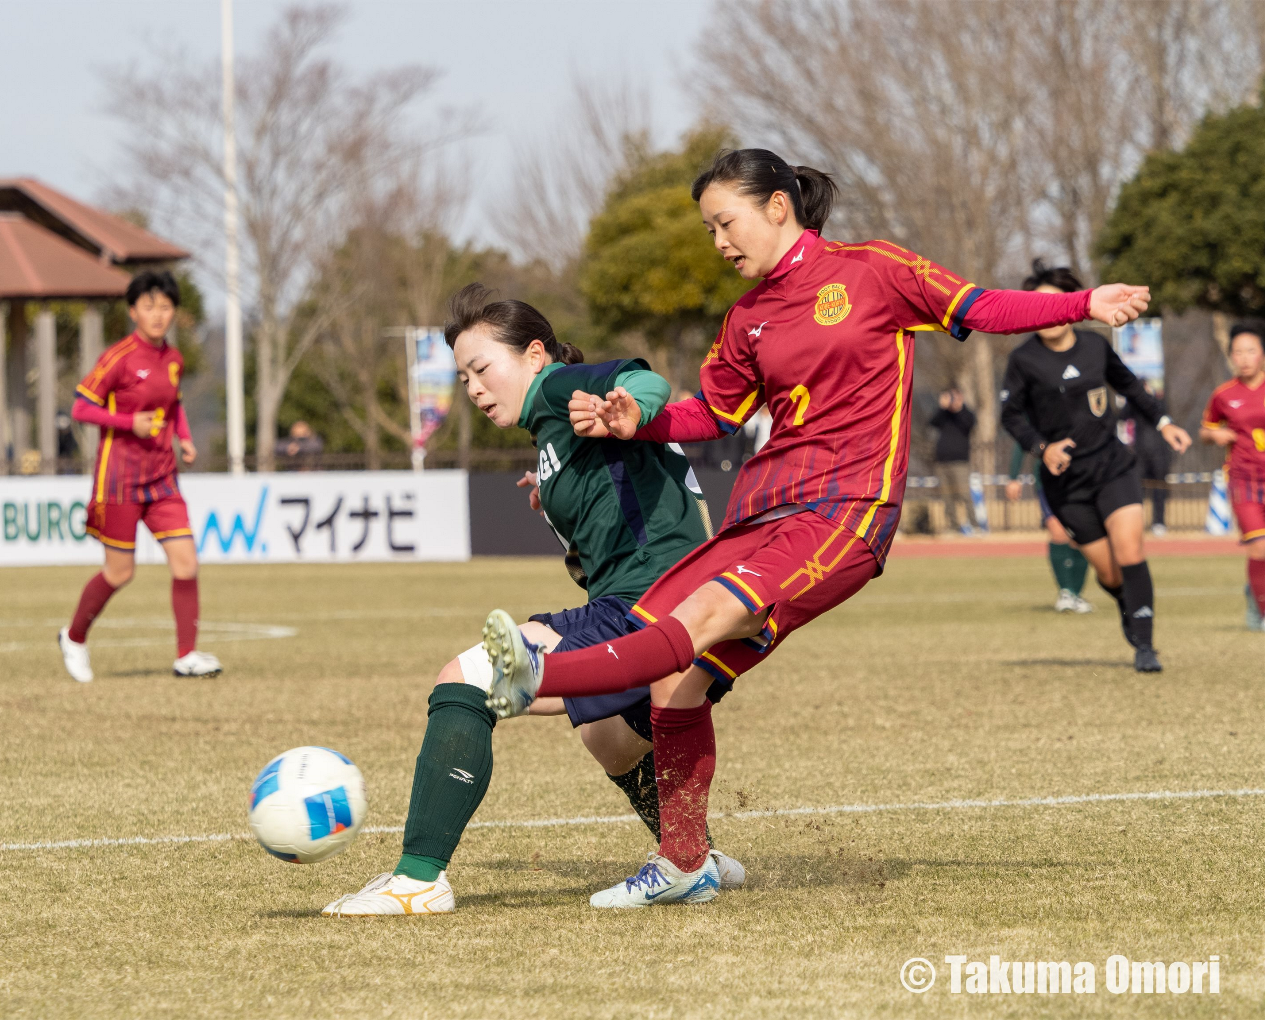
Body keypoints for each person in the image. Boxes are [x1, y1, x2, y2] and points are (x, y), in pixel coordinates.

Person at [475, 148, 1158, 909]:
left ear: (777, 206)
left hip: (846, 509)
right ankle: (682, 863)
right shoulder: (747, 319)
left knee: (692, 625)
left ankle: (539, 675)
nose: (718, 243)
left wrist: (1083, 302)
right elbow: (714, 413)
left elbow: (982, 306)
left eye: (724, 222)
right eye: (707, 230)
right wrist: (636, 420)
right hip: (760, 512)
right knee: (676, 678)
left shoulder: (873, 270)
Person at [320, 284, 744, 917]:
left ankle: (418, 880)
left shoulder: (558, 388)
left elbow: (641, 381)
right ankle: (694, 857)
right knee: (608, 738)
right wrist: (553, 485)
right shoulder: (552, 439)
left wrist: (628, 405)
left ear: (536, 354)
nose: (475, 389)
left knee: (465, 679)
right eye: (463, 378)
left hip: (646, 605)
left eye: (483, 368)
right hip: (669, 602)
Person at [999, 260, 1192, 672]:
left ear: (1070, 306)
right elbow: (1010, 416)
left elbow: (1130, 386)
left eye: (1054, 304)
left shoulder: (1095, 347)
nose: (1046, 314)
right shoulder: (1023, 360)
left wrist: (1164, 422)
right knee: (1108, 572)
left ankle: (1145, 645)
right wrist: (1041, 447)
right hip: (1066, 484)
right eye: (1037, 306)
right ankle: (1129, 603)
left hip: (1112, 466)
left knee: (1130, 549)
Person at [56, 271, 221, 682]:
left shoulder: (174, 359)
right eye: (149, 306)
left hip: (163, 479)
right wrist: (130, 423)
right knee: (120, 572)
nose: (158, 315)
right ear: (133, 311)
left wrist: (183, 438)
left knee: (186, 563)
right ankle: (74, 637)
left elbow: (175, 404)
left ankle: (187, 655)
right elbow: (81, 408)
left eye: (165, 307)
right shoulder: (118, 357)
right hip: (119, 480)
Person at [1199, 320, 1265, 632]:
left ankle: (1254, 594)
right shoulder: (1224, 395)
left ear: (1262, 354)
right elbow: (1205, 430)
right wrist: (1217, 435)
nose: (1245, 357)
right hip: (1244, 481)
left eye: (1251, 350)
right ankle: (1262, 613)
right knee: (1259, 547)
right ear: (1231, 357)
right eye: (1238, 352)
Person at [1005, 442, 1092, 613]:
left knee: (1080, 534)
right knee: (1058, 530)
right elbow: (1022, 441)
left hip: (1080, 477)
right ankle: (1066, 592)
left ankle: (1076, 594)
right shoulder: (1039, 415)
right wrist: (1014, 477)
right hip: (1048, 479)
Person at [1119, 382, 1173, 535]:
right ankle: (1136, 523)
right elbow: (1122, 416)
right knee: (1137, 490)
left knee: (1159, 489)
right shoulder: (1134, 404)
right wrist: (1133, 398)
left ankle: (1159, 523)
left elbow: (1163, 413)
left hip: (1160, 453)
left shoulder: (1159, 401)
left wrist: (1150, 396)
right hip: (1140, 453)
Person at [930, 388, 977, 533]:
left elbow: (969, 424)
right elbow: (932, 422)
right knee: (946, 496)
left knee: (964, 494)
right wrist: (942, 407)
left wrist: (959, 408)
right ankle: (953, 526)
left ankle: (974, 525)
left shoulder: (966, 414)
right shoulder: (944, 415)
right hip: (942, 462)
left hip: (960, 462)